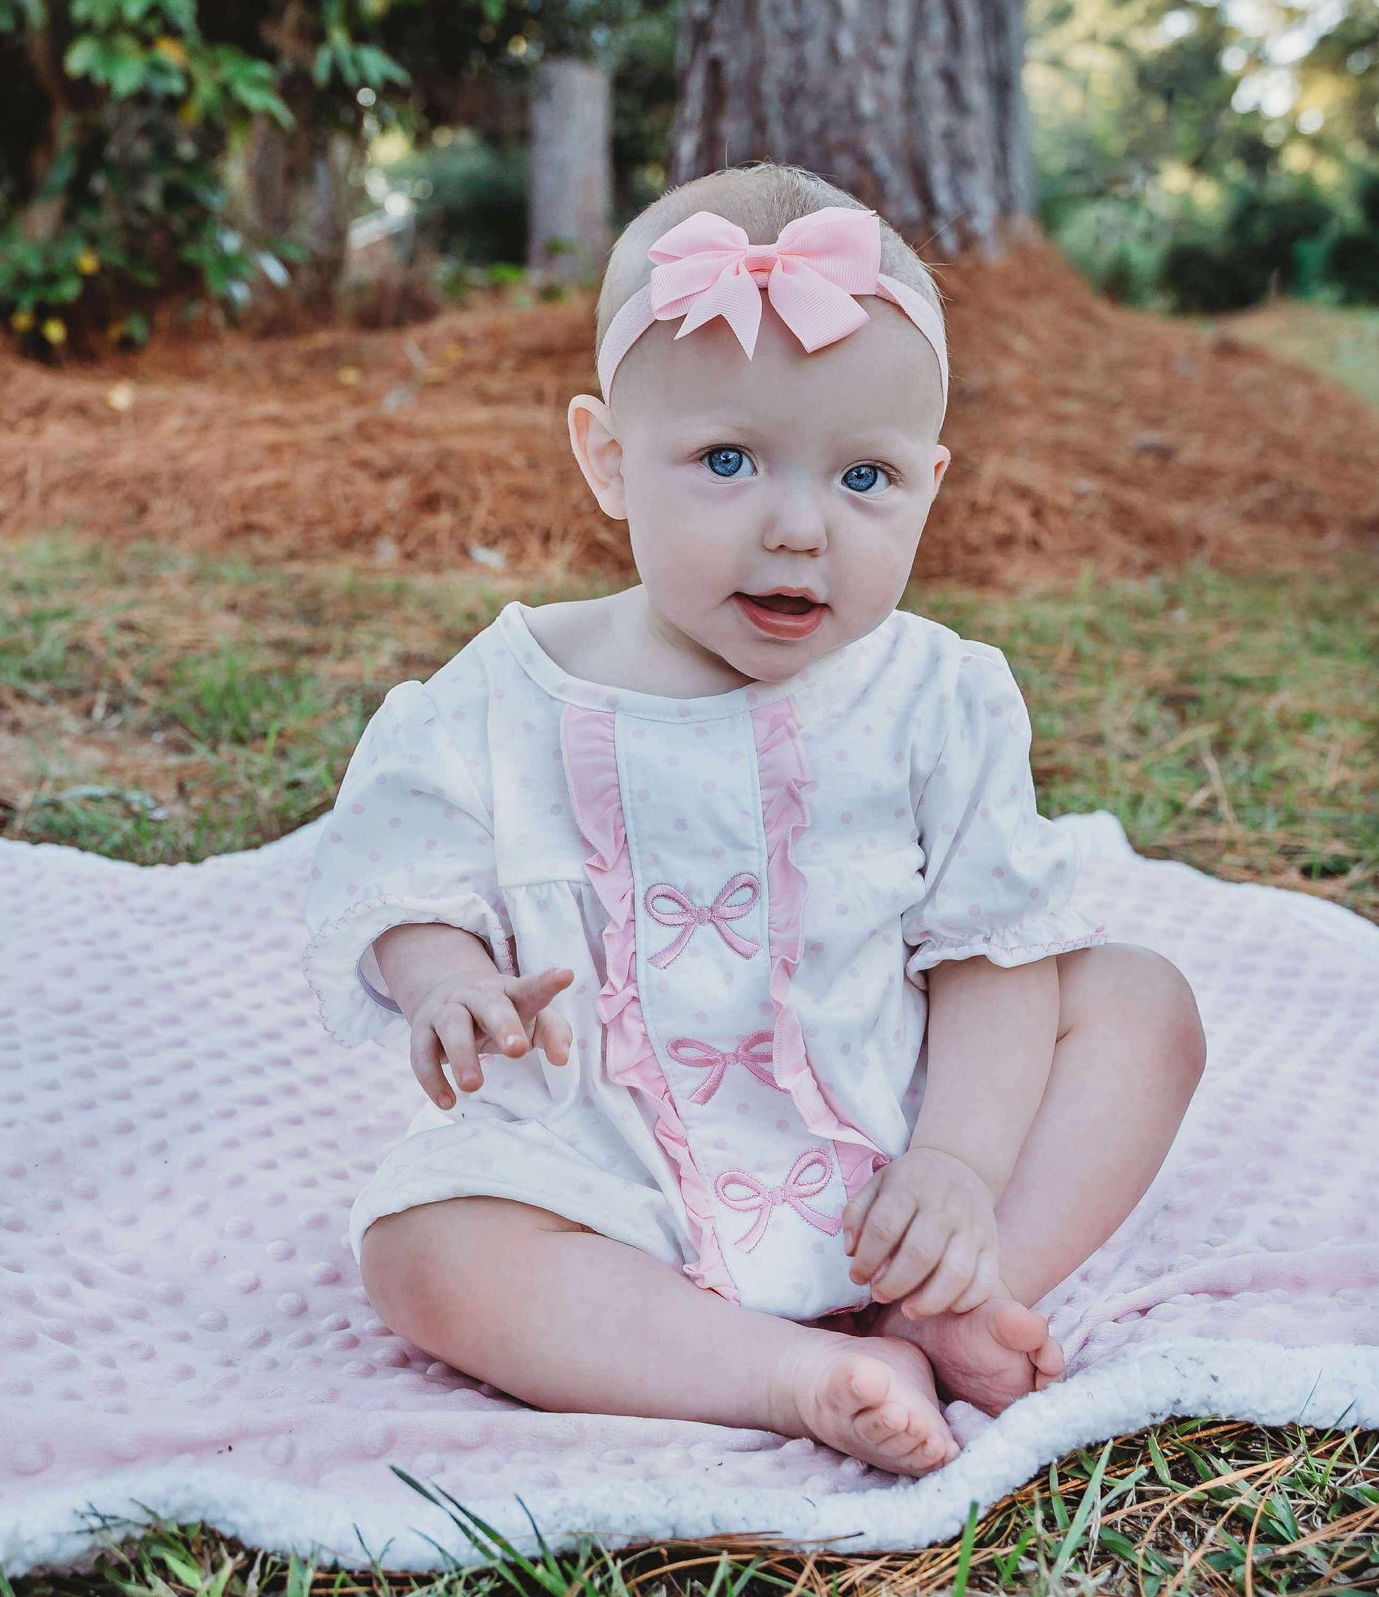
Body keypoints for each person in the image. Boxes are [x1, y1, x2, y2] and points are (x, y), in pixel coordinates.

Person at [304, 166, 1206, 1475]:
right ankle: (790, 1373)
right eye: (727, 460)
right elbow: (402, 865)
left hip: (897, 1131)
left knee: (1137, 1002)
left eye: (863, 477)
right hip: (608, 1166)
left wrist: (956, 1163)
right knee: (421, 1249)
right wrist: (444, 973)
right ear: (606, 461)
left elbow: (992, 953)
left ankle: (946, 1289)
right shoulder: (504, 693)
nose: (798, 528)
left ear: (930, 483)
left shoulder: (936, 697)